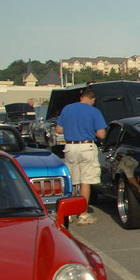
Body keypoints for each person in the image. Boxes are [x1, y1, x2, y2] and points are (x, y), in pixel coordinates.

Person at [55, 88, 107, 225]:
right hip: (86, 146)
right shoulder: (94, 111)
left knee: (73, 180)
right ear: (92, 99)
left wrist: (72, 128)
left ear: (81, 97)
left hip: (70, 146)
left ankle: (70, 213)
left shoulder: (67, 109)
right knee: (86, 180)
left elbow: (59, 129)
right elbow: (101, 134)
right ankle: (83, 215)